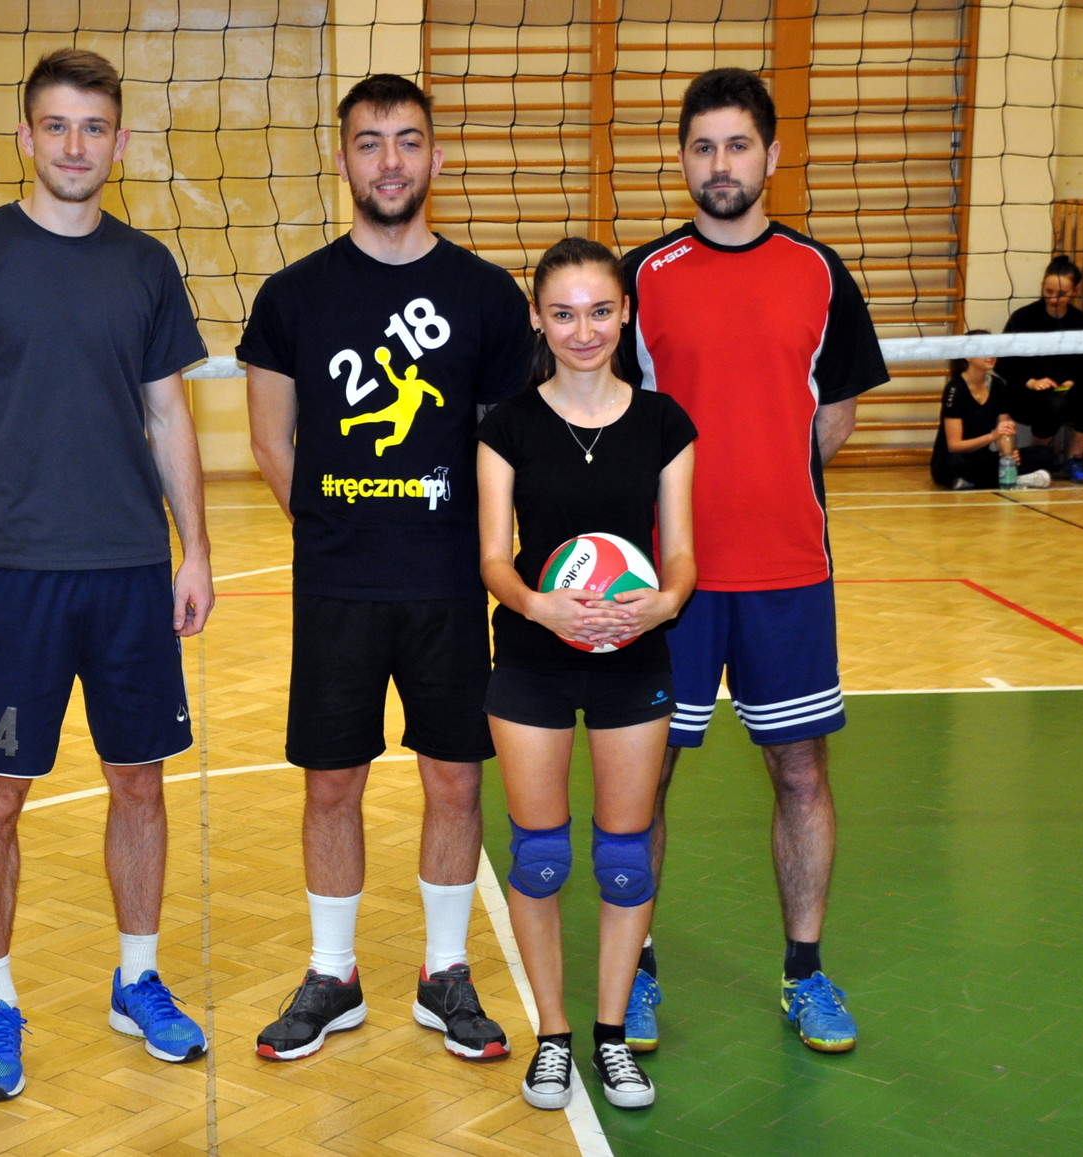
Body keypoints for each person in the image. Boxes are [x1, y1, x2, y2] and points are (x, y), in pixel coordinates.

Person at [0, 48, 214, 1102]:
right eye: (56, 125)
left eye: (93, 128)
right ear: (27, 137)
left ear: (119, 144)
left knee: (140, 782)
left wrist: (196, 548)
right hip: (12, 577)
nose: (75, 145)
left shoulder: (147, 265)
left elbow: (168, 414)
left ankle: (138, 979)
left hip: (130, 572)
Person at [239, 73, 535, 1064]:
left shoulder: (486, 296)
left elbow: (502, 447)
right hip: (338, 584)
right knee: (332, 782)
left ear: (435, 157)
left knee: (454, 776)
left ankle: (444, 971)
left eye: (407, 140)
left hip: (448, 583)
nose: (390, 160)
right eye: (370, 142)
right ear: (343, 160)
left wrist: (474, 546)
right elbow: (271, 441)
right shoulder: (292, 296)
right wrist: (339, 525)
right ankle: (333, 973)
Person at [619, 67, 889, 1055]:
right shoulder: (641, 277)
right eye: (702, 146)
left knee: (801, 772)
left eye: (737, 145)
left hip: (788, 572)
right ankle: (633, 969)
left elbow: (836, 416)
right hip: (669, 581)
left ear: (772, 154)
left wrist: (763, 473)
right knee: (642, 780)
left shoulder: (820, 272)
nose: (719, 164)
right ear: (682, 158)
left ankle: (805, 970)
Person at [477, 238, 695, 1111]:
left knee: (625, 861)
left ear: (625, 313)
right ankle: (554, 1037)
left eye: (600, 310)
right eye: (563, 313)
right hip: (533, 656)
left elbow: (681, 553)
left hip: (633, 656)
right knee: (538, 858)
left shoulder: (665, 423)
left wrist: (663, 603)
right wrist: (541, 607)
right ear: (538, 318)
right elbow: (493, 559)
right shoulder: (507, 425)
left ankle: (611, 1037)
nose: (584, 330)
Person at [996, 255, 1083, 483]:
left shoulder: (1081, 321)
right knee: (1053, 403)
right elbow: (1003, 363)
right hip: (1026, 393)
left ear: (1075, 291)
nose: (1053, 298)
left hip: (1067, 390)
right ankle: (1039, 458)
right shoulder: (1023, 317)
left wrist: (1074, 381)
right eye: (1048, 291)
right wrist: (1031, 381)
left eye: (1061, 293)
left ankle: (1074, 459)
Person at [931, 331, 1053, 490]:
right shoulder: (955, 389)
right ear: (967, 356)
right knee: (953, 464)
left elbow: (1004, 430)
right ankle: (1016, 480)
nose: (991, 355)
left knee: (1044, 454)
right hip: (954, 459)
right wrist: (992, 436)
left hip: (982, 458)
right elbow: (954, 446)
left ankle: (977, 481)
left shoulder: (998, 385)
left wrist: (1008, 454)